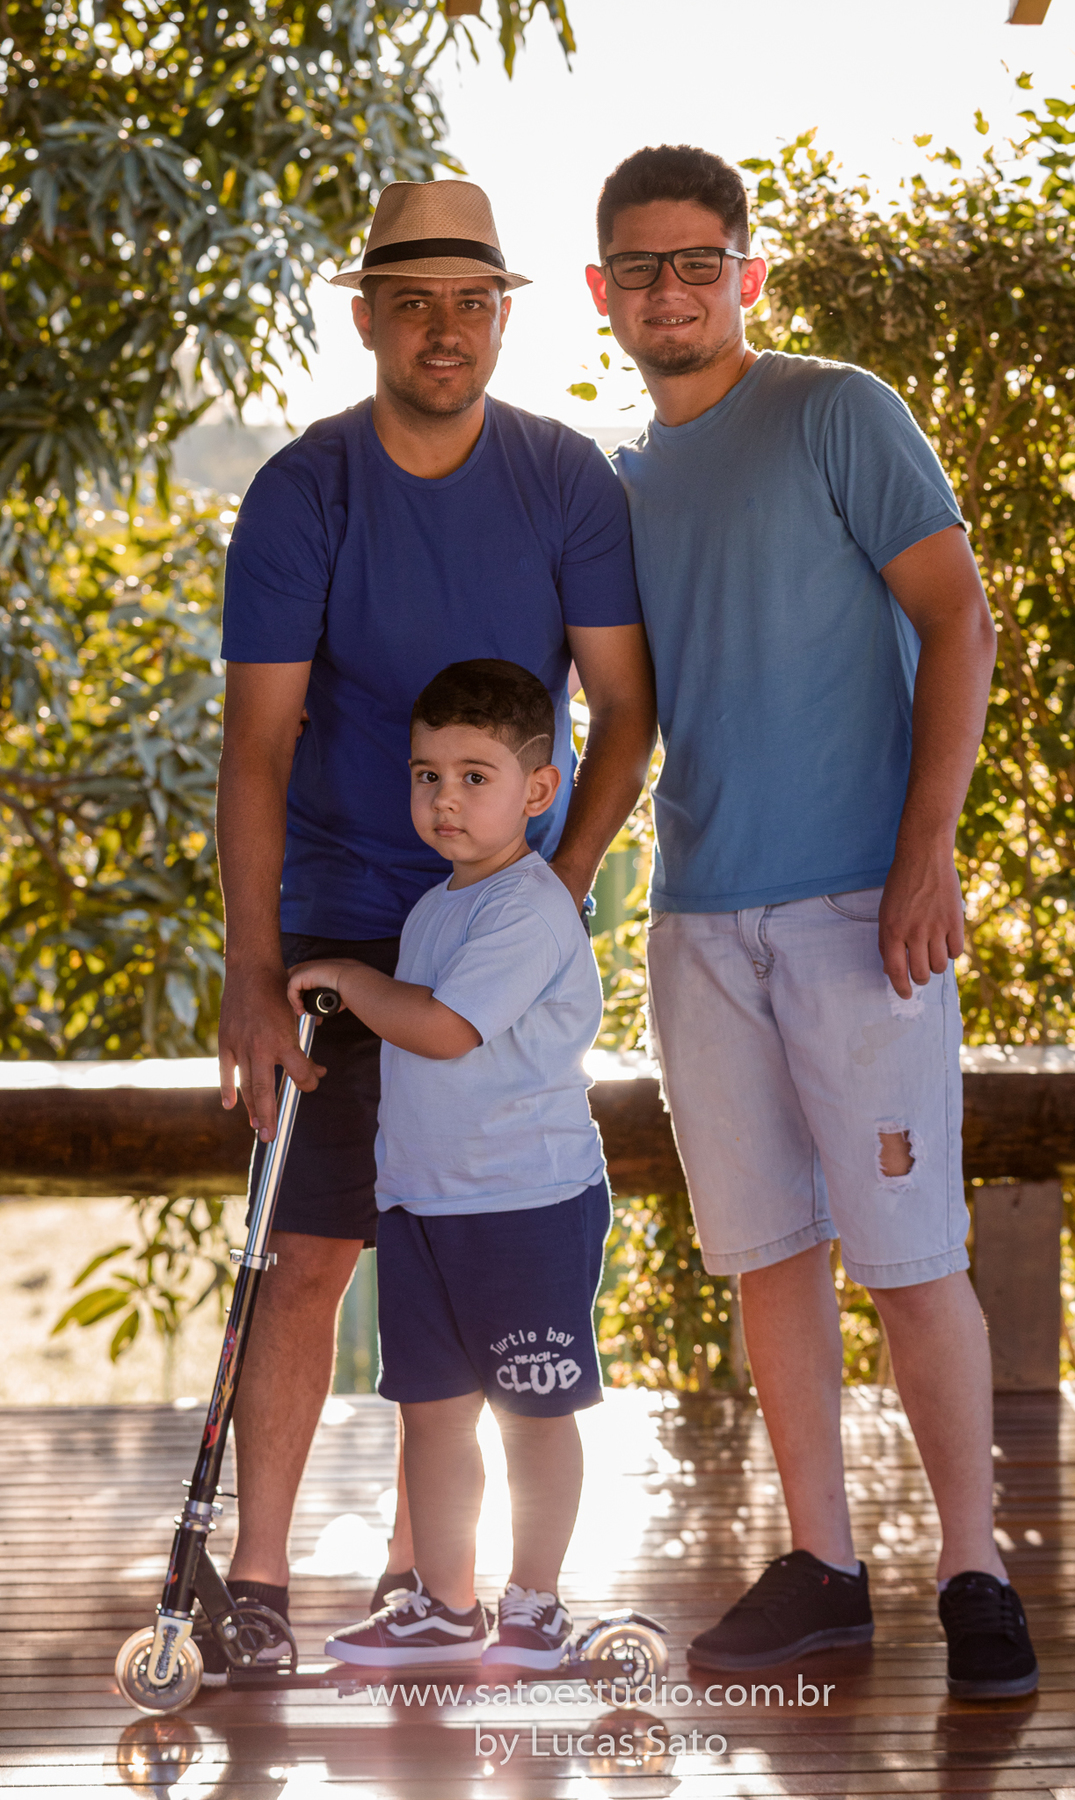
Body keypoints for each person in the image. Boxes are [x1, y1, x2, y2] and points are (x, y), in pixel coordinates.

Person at [584, 144, 1038, 1700]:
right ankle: (825, 1566)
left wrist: (929, 851)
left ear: (745, 274)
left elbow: (956, 613)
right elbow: (627, 718)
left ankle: (973, 1569)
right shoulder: (619, 485)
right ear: (602, 295)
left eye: (696, 260)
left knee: (911, 1255)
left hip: (864, 910)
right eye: (639, 267)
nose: (669, 289)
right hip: (703, 924)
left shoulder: (838, 409)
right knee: (771, 1253)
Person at [214, 179, 655, 1659]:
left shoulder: (567, 480)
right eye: (413, 302)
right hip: (344, 919)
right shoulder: (305, 490)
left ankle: (432, 1582)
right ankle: (263, 1588)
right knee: (314, 1250)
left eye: (472, 300)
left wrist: (544, 891)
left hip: (493, 930)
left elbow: (625, 712)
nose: (444, 329)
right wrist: (254, 972)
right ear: (367, 318)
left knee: (460, 1255)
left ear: (505, 312)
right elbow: (256, 748)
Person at [288, 660, 609, 1670]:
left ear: (540, 789)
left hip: (526, 1205)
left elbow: (443, 1029)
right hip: (424, 1206)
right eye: (428, 774)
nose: (445, 798)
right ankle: (442, 1602)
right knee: (430, 1414)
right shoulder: (439, 906)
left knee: (533, 1411)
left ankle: (539, 1605)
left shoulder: (527, 907)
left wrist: (345, 977)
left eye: (477, 775)